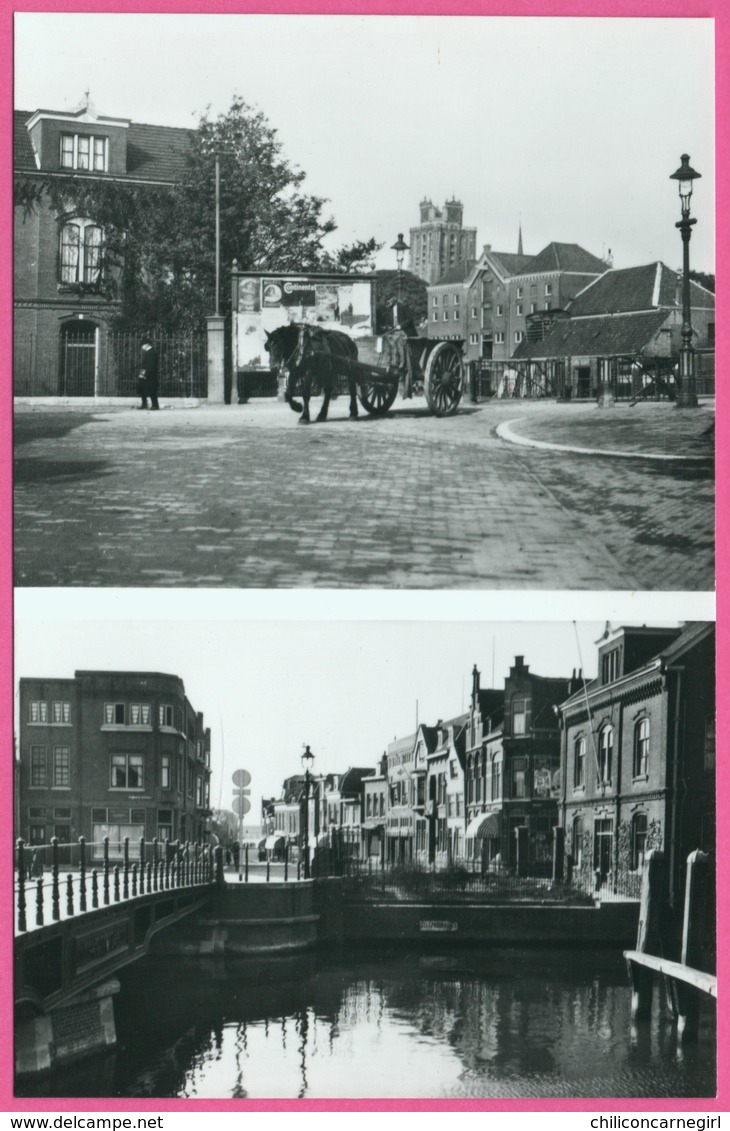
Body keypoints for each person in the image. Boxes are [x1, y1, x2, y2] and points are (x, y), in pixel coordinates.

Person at [138, 336, 160, 410]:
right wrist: (141, 374)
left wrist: (144, 374)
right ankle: (145, 403)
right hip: (146, 373)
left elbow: (150, 365)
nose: (142, 347)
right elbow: (144, 364)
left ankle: (154, 405)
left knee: (152, 390)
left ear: (146, 345)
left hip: (150, 374)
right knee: (142, 388)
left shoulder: (151, 352)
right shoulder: (148, 352)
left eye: (142, 345)